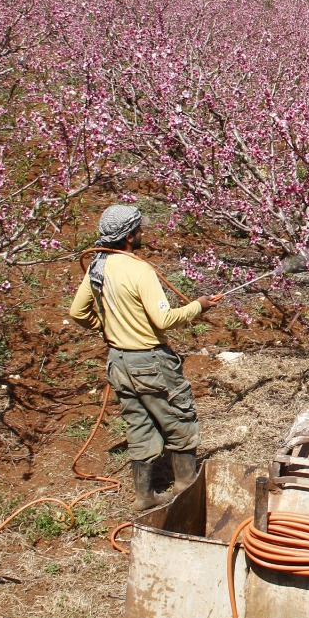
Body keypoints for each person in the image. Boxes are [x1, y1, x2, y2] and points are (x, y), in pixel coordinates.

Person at [68, 204, 220, 511]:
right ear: (128, 236)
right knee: (179, 420)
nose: (142, 233)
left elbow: (76, 312)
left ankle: (145, 497)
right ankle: (185, 488)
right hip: (151, 361)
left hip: (119, 362)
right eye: (138, 229)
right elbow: (164, 320)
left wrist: (106, 326)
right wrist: (199, 306)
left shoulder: (98, 266)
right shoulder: (140, 270)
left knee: (139, 424)